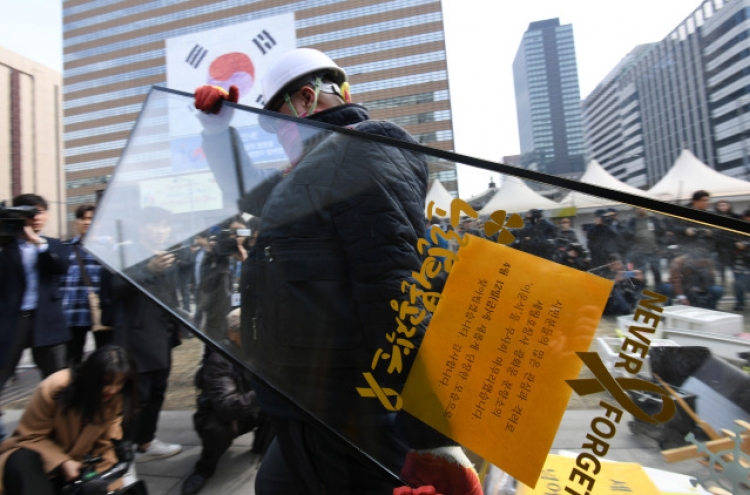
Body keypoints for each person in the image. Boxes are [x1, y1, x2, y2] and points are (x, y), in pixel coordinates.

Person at [193, 48, 469, 494]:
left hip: (353, 409)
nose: (278, 136)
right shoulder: (318, 169)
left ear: (306, 99)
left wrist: (435, 442)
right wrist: (216, 131)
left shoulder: (364, 151)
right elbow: (251, 194)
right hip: (309, 400)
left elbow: (395, 291)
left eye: (275, 121)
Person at [0, 345, 137, 495]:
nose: (113, 389)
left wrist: (110, 485)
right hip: (35, 457)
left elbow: (104, 445)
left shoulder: (114, 399)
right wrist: (63, 462)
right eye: (107, 382)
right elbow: (29, 436)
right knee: (22, 461)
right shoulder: (56, 386)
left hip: (75, 468)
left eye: (120, 383)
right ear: (91, 376)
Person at [112, 206, 182, 462]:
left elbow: (171, 297)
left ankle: (146, 440)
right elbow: (115, 289)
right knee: (135, 397)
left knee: (156, 393)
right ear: (142, 227)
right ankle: (123, 447)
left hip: (162, 336)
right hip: (136, 337)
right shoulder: (125, 251)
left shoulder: (167, 256)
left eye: (166, 225)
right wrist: (148, 270)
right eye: (156, 224)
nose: (162, 230)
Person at [0, 194, 69, 442]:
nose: (35, 217)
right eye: (29, 213)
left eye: (40, 212)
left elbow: (61, 267)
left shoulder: (52, 244)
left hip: (46, 321)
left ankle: (59, 432)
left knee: (57, 380)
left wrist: (37, 243)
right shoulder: (4, 244)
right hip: (11, 320)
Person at [182, 308, 273, 495]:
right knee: (217, 430)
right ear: (232, 333)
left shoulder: (255, 352)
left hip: (248, 412)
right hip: (221, 418)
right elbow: (226, 407)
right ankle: (203, 469)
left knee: (276, 408)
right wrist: (263, 393)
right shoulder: (219, 359)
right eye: (246, 330)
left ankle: (261, 448)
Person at [61, 204, 113, 367]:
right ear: (76, 222)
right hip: (74, 312)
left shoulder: (109, 248)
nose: (87, 222)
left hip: (100, 311)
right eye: (83, 218)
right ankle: (73, 391)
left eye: (92, 219)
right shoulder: (66, 248)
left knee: (104, 358)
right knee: (72, 360)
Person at [660, 251, 724, 309]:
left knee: (717, 289)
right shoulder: (679, 261)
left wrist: (702, 290)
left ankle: (711, 308)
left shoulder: (708, 262)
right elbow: (675, 280)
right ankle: (667, 311)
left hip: (700, 289)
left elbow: (711, 280)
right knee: (666, 288)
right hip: (684, 288)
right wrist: (681, 296)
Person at [624, 208, 664, 289]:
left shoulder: (653, 219)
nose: (640, 210)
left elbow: (661, 233)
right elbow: (627, 234)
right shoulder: (633, 221)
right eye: (637, 209)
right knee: (642, 271)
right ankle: (642, 289)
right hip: (639, 251)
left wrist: (661, 247)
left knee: (656, 270)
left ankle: (659, 288)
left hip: (654, 250)